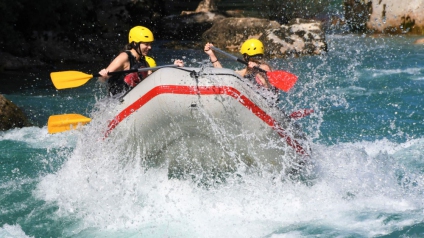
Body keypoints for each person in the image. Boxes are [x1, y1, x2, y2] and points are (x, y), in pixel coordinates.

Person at [99, 26, 184, 96]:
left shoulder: (143, 62)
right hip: (117, 101)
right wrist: (103, 74)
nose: (150, 47)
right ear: (135, 44)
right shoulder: (124, 57)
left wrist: (173, 67)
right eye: (146, 44)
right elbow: (102, 78)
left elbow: (154, 79)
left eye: (150, 44)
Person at [204, 39, 273, 89]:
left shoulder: (266, 68)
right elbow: (225, 74)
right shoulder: (247, 71)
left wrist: (257, 66)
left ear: (246, 56)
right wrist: (212, 55)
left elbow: (265, 70)